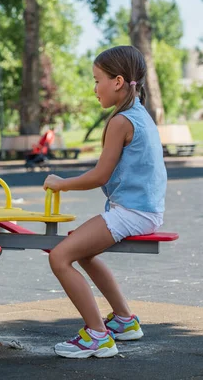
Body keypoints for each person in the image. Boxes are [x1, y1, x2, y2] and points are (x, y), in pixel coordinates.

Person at [43, 45, 167, 359]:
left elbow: (100, 175)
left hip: (132, 211)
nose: (94, 88)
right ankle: (124, 321)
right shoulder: (140, 115)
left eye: (97, 79)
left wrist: (61, 184)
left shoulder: (122, 121)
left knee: (59, 257)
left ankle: (98, 335)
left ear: (118, 81)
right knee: (80, 251)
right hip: (145, 209)